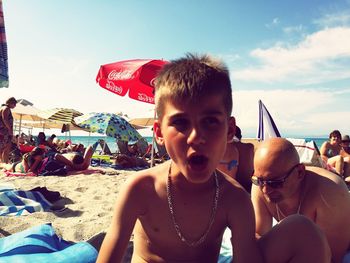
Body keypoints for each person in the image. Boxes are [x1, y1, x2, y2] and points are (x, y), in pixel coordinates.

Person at [97, 54, 330, 263]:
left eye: (210, 121)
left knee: (304, 231)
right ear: (159, 133)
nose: (196, 137)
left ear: (229, 131)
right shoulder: (141, 189)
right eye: (180, 123)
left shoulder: (234, 199)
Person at [251, 137, 350, 263]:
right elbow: (260, 239)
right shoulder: (261, 185)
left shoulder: (330, 191)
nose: (265, 190)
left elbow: (332, 258)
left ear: (299, 172)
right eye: (258, 180)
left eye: (275, 183)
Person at [0, 97, 17, 163]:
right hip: (4, 132)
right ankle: (4, 163)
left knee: (3, 149)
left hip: (3, 132)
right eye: (14, 104)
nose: (15, 106)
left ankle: (3, 163)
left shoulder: (3, 108)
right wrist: (10, 129)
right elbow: (5, 119)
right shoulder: (6, 108)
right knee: (5, 149)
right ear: (10, 103)